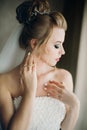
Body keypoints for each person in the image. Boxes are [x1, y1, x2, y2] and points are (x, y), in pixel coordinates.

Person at [0, 0, 80, 130]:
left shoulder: (64, 78)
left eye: (62, 45)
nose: (63, 51)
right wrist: (29, 92)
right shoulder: (4, 82)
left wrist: (75, 106)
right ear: (34, 43)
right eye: (56, 45)